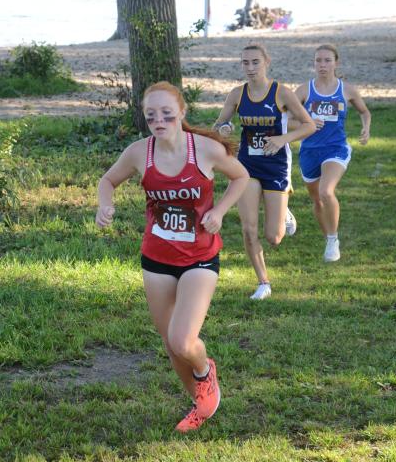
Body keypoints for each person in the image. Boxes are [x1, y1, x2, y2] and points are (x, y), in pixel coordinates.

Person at [96, 81, 249, 433]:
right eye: (151, 115)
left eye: (166, 113)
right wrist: (106, 205)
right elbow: (108, 180)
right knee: (171, 345)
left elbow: (241, 176)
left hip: (199, 256)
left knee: (184, 340)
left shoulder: (206, 150)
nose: (159, 120)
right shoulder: (140, 152)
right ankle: (199, 401)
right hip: (157, 258)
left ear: (181, 113)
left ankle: (204, 370)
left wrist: (221, 210)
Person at [211, 44, 316, 301]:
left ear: (266, 62)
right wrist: (223, 128)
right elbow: (218, 123)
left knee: (274, 237)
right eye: (245, 63)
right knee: (248, 228)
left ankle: (284, 212)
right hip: (247, 165)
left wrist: (283, 139)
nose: (250, 68)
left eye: (255, 62)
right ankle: (263, 282)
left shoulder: (281, 93)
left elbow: (309, 125)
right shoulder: (237, 95)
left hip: (276, 164)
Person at [293, 45, 370, 262]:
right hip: (309, 151)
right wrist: (306, 122)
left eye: (327, 60)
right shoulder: (304, 90)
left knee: (327, 192)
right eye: (318, 61)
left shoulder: (347, 90)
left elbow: (364, 112)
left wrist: (366, 128)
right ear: (314, 63)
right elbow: (284, 119)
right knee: (317, 200)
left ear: (336, 63)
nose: (322, 65)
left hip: (336, 149)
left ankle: (332, 240)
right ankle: (328, 236)